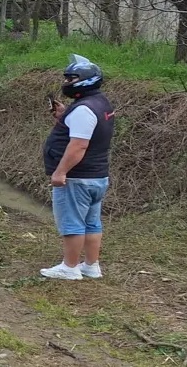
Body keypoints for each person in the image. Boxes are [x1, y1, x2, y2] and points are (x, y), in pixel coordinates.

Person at [41, 54, 115, 281]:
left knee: (72, 222)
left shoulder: (83, 110)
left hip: (77, 178)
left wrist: (60, 171)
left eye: (71, 79)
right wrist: (65, 115)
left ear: (86, 80)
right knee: (92, 223)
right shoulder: (100, 103)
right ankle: (91, 266)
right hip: (96, 176)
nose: (67, 82)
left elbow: (79, 146)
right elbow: (89, 129)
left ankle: (70, 267)